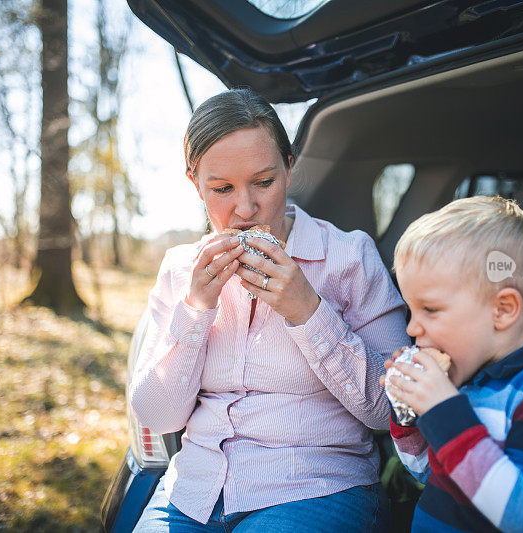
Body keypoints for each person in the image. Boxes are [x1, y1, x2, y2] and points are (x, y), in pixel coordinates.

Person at [129, 88, 409, 532]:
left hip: (316, 488)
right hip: (192, 492)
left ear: (289, 168)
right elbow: (158, 415)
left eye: (264, 181)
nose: (246, 208)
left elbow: (388, 410)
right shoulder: (180, 268)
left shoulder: (350, 257)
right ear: (194, 182)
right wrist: (197, 308)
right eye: (221, 189)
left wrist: (308, 311)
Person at [382, 196, 523, 532]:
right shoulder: (466, 379)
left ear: (502, 310)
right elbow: (422, 469)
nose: (412, 328)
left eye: (431, 310)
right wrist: (407, 412)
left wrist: (443, 410)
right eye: (411, 310)